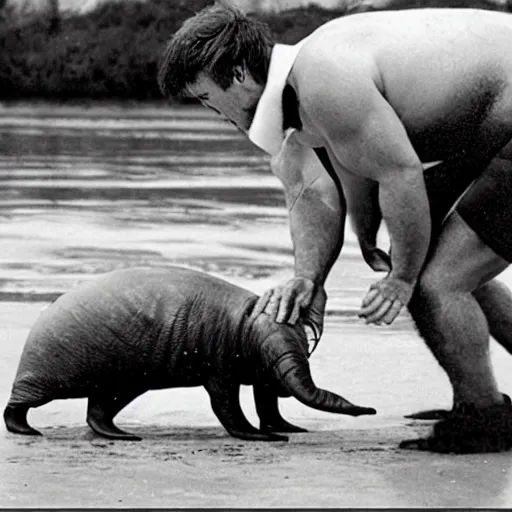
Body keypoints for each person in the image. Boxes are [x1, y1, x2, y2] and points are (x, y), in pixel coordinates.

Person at [158, 3, 512, 453]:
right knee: (446, 268)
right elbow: (315, 191)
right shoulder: (300, 93)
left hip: (502, 117)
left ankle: (482, 417)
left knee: (436, 283)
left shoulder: (323, 79)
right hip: (492, 122)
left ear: (241, 76)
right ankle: (477, 395)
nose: (211, 111)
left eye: (207, 97)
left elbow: (400, 173)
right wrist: (310, 279)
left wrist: (401, 277)